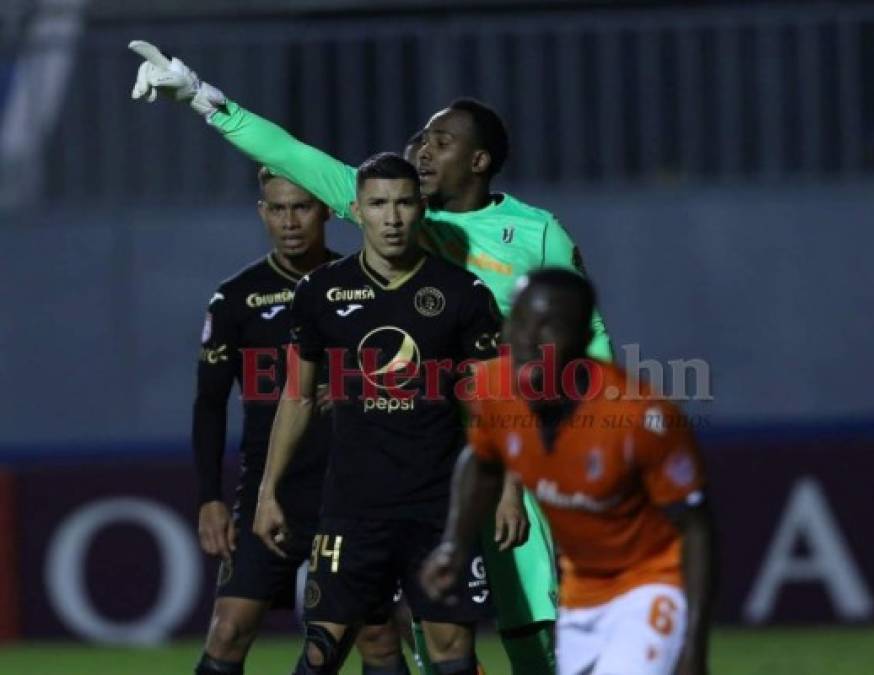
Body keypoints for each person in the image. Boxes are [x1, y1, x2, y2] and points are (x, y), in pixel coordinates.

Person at [127, 41, 604, 673]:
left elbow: (589, 339)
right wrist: (204, 100)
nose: (423, 148)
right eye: (420, 137)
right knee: (432, 639)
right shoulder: (398, 213)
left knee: (531, 620)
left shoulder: (537, 233)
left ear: (480, 160)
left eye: (442, 140)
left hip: (505, 449)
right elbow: (296, 156)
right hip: (422, 459)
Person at [252, 152, 508, 675]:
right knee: (320, 656)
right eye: (378, 204)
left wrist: (509, 492)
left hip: (440, 509)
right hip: (352, 508)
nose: (392, 218)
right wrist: (267, 492)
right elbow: (297, 397)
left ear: (421, 210)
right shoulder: (319, 292)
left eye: (404, 203)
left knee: (452, 657)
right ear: (356, 210)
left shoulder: (463, 293)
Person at [421, 268, 715, 675]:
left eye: (549, 329)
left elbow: (697, 527)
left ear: (581, 340)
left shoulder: (638, 417)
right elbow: (481, 462)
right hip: (582, 591)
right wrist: (454, 543)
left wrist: (693, 644)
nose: (527, 341)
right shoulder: (495, 390)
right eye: (519, 322)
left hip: (650, 585)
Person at [192, 168, 402, 675]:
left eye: (302, 208)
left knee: (376, 636)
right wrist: (209, 498)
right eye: (278, 209)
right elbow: (209, 404)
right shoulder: (236, 298)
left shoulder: (364, 285)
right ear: (263, 213)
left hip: (351, 494)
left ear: (327, 211)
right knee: (228, 630)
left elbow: (411, 372)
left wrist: (353, 385)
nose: (290, 222)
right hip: (272, 494)